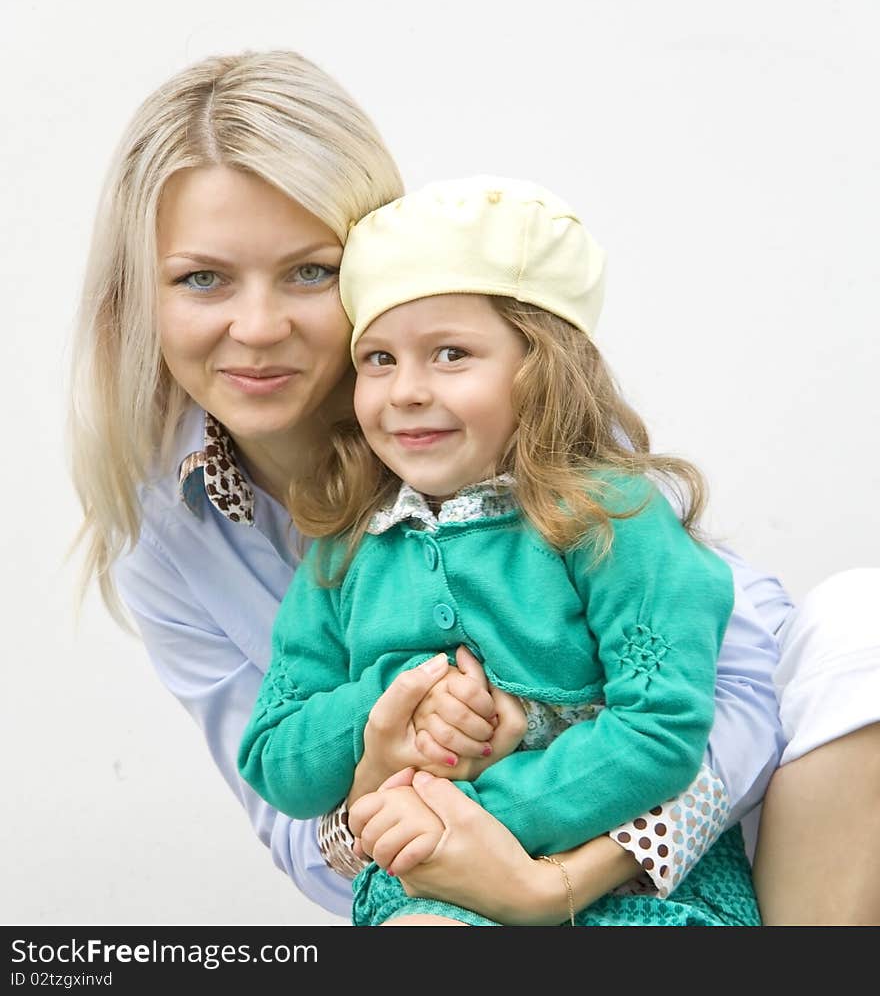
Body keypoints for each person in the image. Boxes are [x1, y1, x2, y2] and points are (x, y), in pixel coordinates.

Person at [67, 48, 880, 926]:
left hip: (654, 832)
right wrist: (383, 757)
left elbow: (734, 673)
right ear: (138, 298)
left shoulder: (502, 419)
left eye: (310, 270)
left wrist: (552, 879)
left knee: (860, 627)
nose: (258, 328)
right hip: (428, 868)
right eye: (202, 278)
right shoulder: (168, 534)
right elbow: (295, 824)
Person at [237, 173, 767, 926]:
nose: (406, 390)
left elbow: (662, 729)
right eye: (378, 359)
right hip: (427, 891)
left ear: (542, 368)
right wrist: (396, 695)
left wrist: (478, 818)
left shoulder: (615, 520)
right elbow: (277, 760)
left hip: (622, 883)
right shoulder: (345, 554)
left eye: (450, 354)